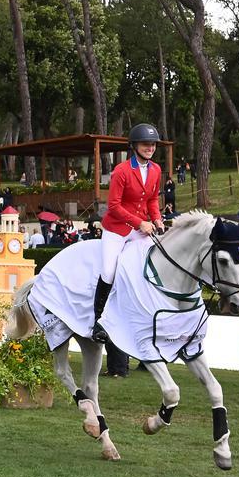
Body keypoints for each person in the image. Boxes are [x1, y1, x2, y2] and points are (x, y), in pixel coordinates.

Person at [91, 123, 165, 343]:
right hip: (117, 228)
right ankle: (98, 322)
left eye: (153, 144)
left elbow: (152, 199)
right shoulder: (121, 171)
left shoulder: (156, 169)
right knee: (109, 271)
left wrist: (157, 218)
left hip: (141, 226)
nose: (150, 148)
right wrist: (140, 223)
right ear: (134, 146)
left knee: (155, 266)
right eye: (145, 144)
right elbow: (113, 206)